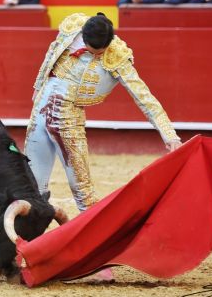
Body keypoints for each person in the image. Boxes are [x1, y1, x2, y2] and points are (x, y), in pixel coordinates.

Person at [25, 12, 181, 213]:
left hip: (69, 117)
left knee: (82, 190)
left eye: (101, 51)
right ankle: (29, 238)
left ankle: (92, 240)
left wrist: (169, 135)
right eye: (94, 51)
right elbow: (52, 52)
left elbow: (144, 97)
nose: (99, 55)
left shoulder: (117, 55)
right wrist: (38, 86)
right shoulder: (73, 26)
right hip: (41, 107)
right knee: (31, 184)